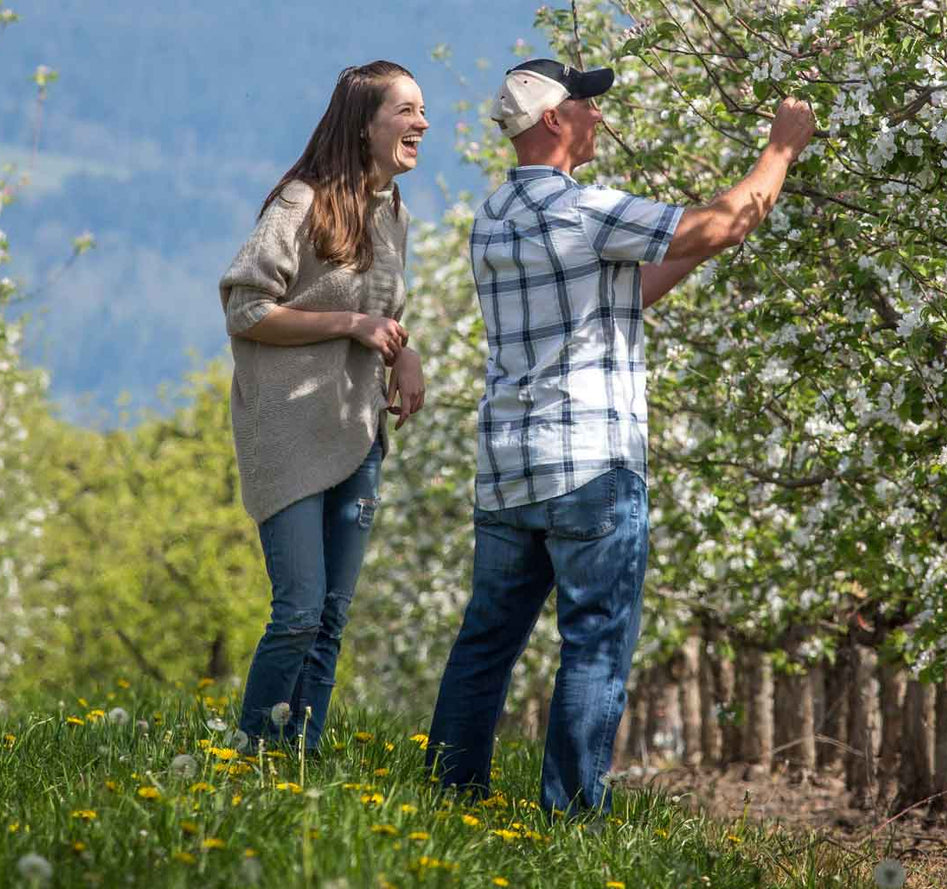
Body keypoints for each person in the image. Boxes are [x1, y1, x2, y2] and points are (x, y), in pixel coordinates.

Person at [425, 56, 815, 815]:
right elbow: (732, 218)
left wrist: (690, 247)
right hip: (590, 470)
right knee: (595, 645)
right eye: (587, 106)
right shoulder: (585, 212)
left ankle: (448, 799)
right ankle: (570, 817)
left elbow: (623, 290)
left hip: (508, 469)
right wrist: (782, 148)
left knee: (484, 647)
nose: (599, 116)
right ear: (553, 120)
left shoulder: (492, 217)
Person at [219, 60, 429, 753]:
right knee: (299, 612)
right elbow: (246, 308)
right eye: (405, 111)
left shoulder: (395, 215)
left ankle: (299, 764)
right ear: (363, 124)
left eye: (421, 111)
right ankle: (249, 755)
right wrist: (348, 326)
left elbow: (383, 316)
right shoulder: (299, 204)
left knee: (332, 617)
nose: (421, 124)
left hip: (355, 432)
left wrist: (403, 353)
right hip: (287, 432)